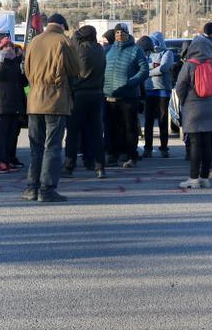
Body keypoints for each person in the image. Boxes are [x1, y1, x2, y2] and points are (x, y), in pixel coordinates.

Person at [22, 13, 80, 203]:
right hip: (55, 99)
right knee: (52, 146)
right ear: (63, 25)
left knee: (35, 146)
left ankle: (32, 187)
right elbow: (74, 70)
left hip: (34, 99)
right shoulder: (64, 41)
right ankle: (46, 189)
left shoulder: (34, 41)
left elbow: (27, 70)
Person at [176, 34, 212, 189]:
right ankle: (204, 177)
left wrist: (184, 101)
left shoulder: (189, 65)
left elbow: (179, 86)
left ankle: (193, 178)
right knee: (208, 143)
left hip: (192, 108)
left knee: (195, 143)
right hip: (209, 107)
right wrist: (211, 99)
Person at [103, 23, 150, 169]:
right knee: (111, 127)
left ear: (128, 34)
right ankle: (112, 154)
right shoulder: (108, 50)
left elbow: (144, 70)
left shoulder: (136, 50)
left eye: (122, 32)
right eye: (117, 33)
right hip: (109, 96)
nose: (119, 35)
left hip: (128, 97)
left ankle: (130, 155)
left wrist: (131, 82)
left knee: (129, 128)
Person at [64, 25, 105, 179]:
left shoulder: (79, 49)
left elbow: (72, 68)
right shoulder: (100, 49)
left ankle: (69, 165)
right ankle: (100, 166)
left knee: (73, 132)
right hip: (96, 93)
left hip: (80, 94)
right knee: (96, 132)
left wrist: (75, 36)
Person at [0, 36, 27, 173]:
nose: (9, 49)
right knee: (1, 135)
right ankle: (1, 161)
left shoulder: (15, 63)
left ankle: (10, 158)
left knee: (13, 135)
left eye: (10, 46)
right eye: (5, 46)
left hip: (15, 104)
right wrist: (0, 60)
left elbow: (23, 82)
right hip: (2, 105)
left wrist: (23, 64)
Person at [143, 32, 175, 159]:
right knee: (148, 121)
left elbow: (163, 68)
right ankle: (148, 148)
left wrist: (148, 72)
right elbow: (143, 66)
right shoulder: (148, 53)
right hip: (149, 89)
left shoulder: (168, 53)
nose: (154, 44)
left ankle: (164, 148)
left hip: (162, 90)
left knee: (162, 121)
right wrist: (153, 66)